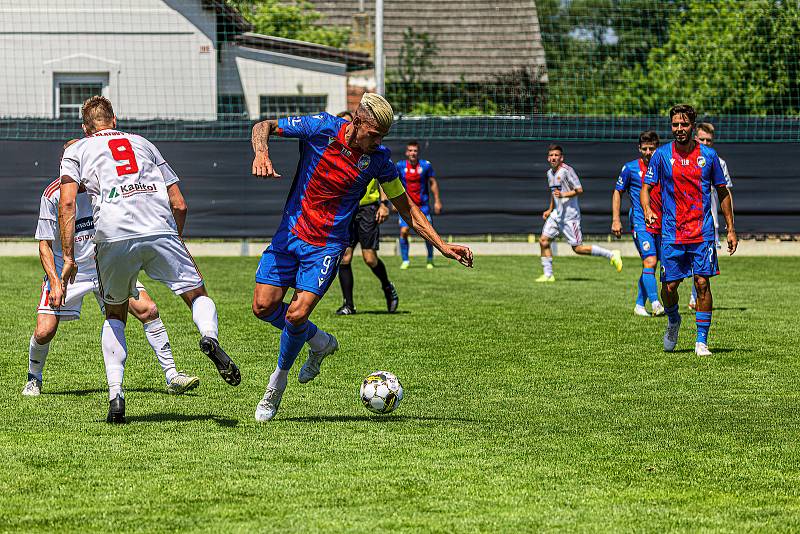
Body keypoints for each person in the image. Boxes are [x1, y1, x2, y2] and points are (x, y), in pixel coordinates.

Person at [250, 93, 472, 422]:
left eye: (383, 136)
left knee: (296, 314)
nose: (379, 142)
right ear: (358, 121)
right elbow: (263, 125)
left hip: (326, 246)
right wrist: (262, 152)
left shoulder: (379, 159)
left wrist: (442, 245)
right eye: (375, 134)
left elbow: (408, 208)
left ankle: (275, 387)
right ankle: (321, 341)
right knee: (262, 307)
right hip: (290, 234)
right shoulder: (321, 128)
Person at [58, 96, 240, 424]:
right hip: (159, 227)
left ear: (86, 128)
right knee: (196, 294)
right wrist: (174, 240)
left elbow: (68, 204)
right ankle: (209, 337)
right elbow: (179, 203)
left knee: (115, 312)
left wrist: (69, 256)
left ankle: (116, 395)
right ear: (114, 120)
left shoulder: (76, 150)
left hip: (113, 233)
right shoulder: (143, 142)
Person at [23, 165, 200, 397]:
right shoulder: (53, 194)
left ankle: (172, 375)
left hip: (107, 264)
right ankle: (33, 379)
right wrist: (55, 281)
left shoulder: (106, 186)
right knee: (44, 331)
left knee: (148, 310)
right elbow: (44, 243)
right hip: (67, 272)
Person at [641, 104, 737, 356]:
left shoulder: (709, 156)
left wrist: (730, 228)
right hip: (672, 233)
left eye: (684, 124)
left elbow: (723, 191)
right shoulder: (662, 155)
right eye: (675, 125)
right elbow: (646, 188)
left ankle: (701, 341)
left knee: (702, 283)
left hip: (702, 233)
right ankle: (673, 320)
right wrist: (648, 210)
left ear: (693, 126)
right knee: (669, 287)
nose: (679, 129)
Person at [334, 111, 399, 315]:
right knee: (344, 257)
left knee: (369, 258)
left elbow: (383, 178)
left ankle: (388, 287)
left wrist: (383, 204)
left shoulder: (371, 151)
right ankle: (348, 304)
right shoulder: (336, 151)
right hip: (347, 209)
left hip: (368, 208)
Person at [537, 144, 622, 282]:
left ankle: (611, 254)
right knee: (543, 241)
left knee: (578, 249)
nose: (553, 158)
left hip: (570, 217)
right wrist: (550, 209)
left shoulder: (567, 171)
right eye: (551, 155)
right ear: (548, 158)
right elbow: (554, 194)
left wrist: (564, 194)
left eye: (556, 155)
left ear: (561, 158)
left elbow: (579, 189)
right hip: (556, 215)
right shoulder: (549, 173)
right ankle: (548, 275)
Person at [611, 131, 665, 316]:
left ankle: (639, 305)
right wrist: (616, 219)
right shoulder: (630, 168)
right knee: (650, 260)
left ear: (657, 148)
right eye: (645, 149)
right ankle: (656, 303)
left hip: (661, 223)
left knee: (652, 264)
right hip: (640, 223)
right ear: (639, 149)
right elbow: (618, 191)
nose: (648, 152)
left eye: (652, 148)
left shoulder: (664, 167)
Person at [689, 122, 734, 310]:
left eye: (709, 140)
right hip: (684, 221)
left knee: (703, 264)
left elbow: (725, 193)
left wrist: (730, 225)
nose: (706, 143)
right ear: (695, 138)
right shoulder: (682, 158)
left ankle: (695, 297)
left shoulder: (718, 162)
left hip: (709, 221)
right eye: (702, 139)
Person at [396, 140, 442, 269]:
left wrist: (437, 200)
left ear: (418, 153)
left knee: (428, 233)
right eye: (410, 150)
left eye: (415, 151)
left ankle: (430, 259)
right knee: (404, 231)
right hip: (406, 207)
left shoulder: (426, 166)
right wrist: (393, 202)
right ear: (406, 152)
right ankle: (405, 260)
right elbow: (393, 184)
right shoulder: (399, 166)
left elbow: (433, 183)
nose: (412, 153)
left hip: (423, 207)